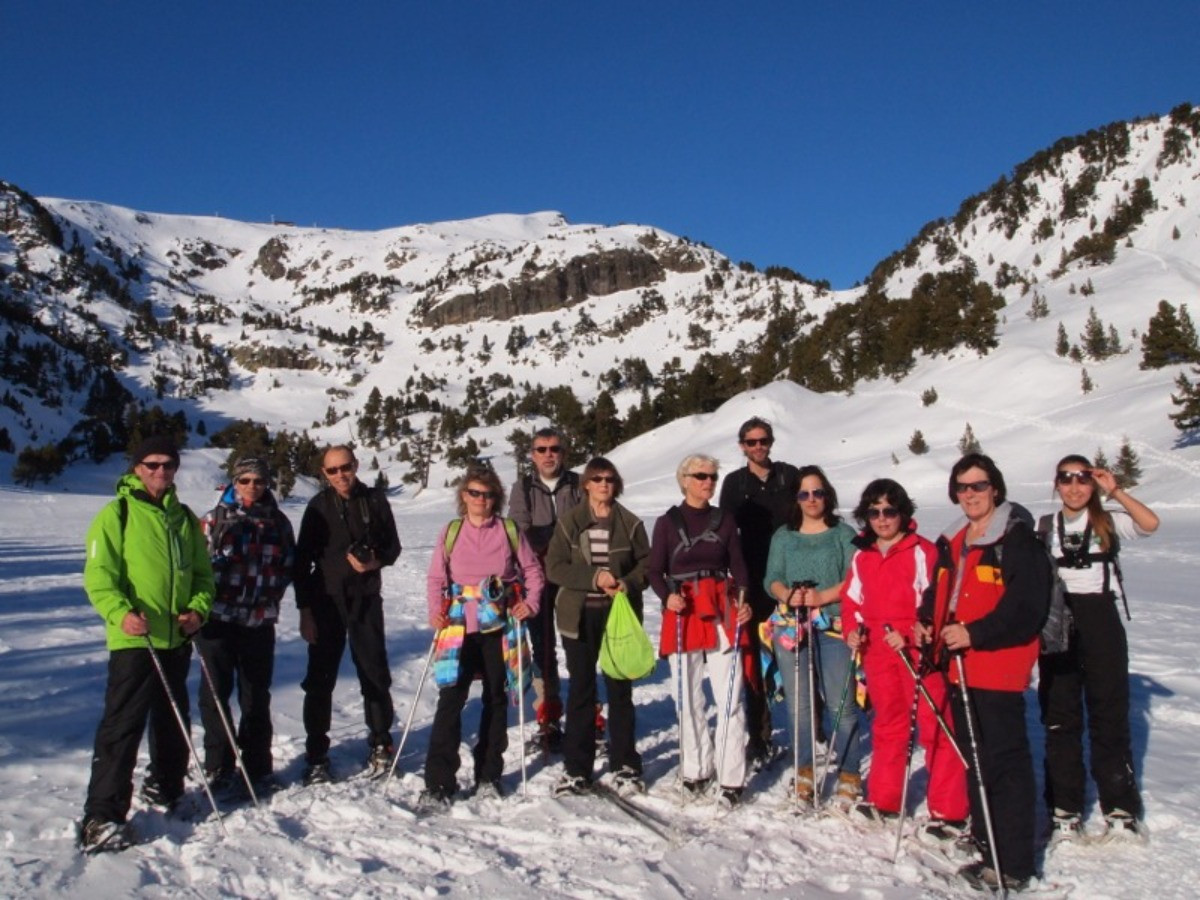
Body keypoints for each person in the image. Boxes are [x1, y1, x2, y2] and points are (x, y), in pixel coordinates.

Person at [920, 453, 1051, 893]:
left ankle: (1012, 860)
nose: (970, 494)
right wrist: (927, 621)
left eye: (978, 486)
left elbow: (1026, 608)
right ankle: (985, 840)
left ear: (995, 487)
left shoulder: (1015, 539)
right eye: (962, 487)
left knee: (1005, 760)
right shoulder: (956, 538)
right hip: (958, 664)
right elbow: (939, 590)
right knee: (975, 759)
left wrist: (974, 633)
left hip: (996, 664)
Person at [79, 436, 214, 853]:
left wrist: (197, 610)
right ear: (136, 468)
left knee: (173, 720)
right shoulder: (116, 514)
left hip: (175, 636)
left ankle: (167, 787)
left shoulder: (183, 517)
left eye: (168, 465)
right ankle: (102, 816)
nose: (161, 472)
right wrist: (121, 613)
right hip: (134, 639)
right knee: (122, 727)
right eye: (152, 464)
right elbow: (99, 577)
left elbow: (203, 576)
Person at [1038, 456, 1159, 844]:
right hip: (1058, 624)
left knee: (1109, 714)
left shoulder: (1108, 521)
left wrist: (1116, 490)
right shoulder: (1045, 527)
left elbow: (1150, 523)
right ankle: (1065, 811)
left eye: (1083, 479)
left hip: (1101, 620)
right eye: (1066, 480)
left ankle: (1120, 809)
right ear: (1056, 484)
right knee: (1061, 719)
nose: (1074, 487)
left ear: (1093, 484)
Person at [840, 479, 968, 833]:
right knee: (888, 723)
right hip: (878, 649)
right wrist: (854, 628)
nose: (882, 519)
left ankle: (949, 809)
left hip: (916, 650)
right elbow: (852, 600)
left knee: (936, 725)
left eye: (889, 511)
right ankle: (885, 799)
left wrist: (914, 631)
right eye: (874, 512)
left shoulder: (921, 551)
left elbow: (936, 603)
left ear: (903, 513)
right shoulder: (863, 555)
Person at [422, 465, 543, 806]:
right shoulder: (452, 530)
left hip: (497, 624)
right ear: (464, 496)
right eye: (474, 493)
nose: (481, 499)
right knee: (451, 699)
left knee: (496, 697)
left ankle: (489, 775)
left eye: (488, 494)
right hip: (458, 624)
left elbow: (533, 571)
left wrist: (530, 604)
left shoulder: (508, 530)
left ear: (497, 499)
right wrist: (436, 611)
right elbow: (436, 577)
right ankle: (438, 782)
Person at [648, 454, 752, 808]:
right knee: (688, 697)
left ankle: (731, 777)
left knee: (729, 697)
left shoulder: (724, 520)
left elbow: (738, 566)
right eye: (701, 476)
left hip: (722, 607)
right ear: (685, 480)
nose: (708, 482)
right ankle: (695, 769)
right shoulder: (666, 522)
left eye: (712, 476)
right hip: (684, 610)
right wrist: (667, 598)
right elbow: (654, 571)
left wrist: (744, 599)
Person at [295, 445, 401, 785]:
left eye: (346, 467)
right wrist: (305, 611)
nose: (341, 475)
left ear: (356, 466)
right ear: (323, 474)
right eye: (332, 470)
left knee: (374, 674)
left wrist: (374, 561)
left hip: (366, 601)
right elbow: (300, 564)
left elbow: (393, 547)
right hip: (326, 602)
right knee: (319, 680)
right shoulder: (317, 508)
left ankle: (381, 743)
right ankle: (316, 755)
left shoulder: (374, 501)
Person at [545, 457, 651, 797]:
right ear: (586, 484)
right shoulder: (569, 523)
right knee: (581, 691)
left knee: (620, 690)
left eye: (609, 479)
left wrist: (627, 582)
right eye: (597, 478)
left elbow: (647, 564)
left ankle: (625, 765)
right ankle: (577, 769)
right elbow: (555, 567)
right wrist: (594, 577)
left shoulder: (630, 523)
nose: (604, 484)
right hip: (579, 617)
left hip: (618, 615)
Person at [196, 457, 296, 796]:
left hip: (258, 622)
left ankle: (257, 768)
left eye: (258, 480)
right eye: (245, 480)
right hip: (217, 620)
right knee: (215, 695)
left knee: (255, 696)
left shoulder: (279, 523)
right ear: (233, 482)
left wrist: (271, 595)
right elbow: (195, 566)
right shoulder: (213, 520)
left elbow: (288, 564)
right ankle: (218, 765)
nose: (252, 486)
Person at [761, 465, 859, 807]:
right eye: (804, 493)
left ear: (827, 495)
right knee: (799, 704)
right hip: (791, 625)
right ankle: (804, 770)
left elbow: (855, 579)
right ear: (796, 499)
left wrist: (823, 596)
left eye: (817, 492)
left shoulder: (843, 534)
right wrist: (787, 594)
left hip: (832, 624)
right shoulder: (784, 536)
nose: (812, 499)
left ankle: (848, 772)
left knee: (840, 703)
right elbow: (771, 577)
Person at [718, 417, 800, 769]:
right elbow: (723, 529)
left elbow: (811, 515)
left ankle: (809, 730)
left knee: (799, 652)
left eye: (763, 440)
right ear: (742, 446)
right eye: (751, 442)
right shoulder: (734, 483)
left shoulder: (789, 476)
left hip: (790, 578)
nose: (758, 447)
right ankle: (760, 734)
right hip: (751, 580)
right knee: (754, 658)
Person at [508, 427, 582, 751]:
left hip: (573, 579)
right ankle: (548, 715)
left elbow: (588, 525)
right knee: (542, 648)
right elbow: (518, 533)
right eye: (541, 449)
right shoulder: (523, 488)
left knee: (579, 647)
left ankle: (587, 716)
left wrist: (554, 541)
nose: (548, 455)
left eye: (554, 449)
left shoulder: (578, 483)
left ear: (563, 452)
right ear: (532, 454)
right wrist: (559, 540)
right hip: (536, 579)